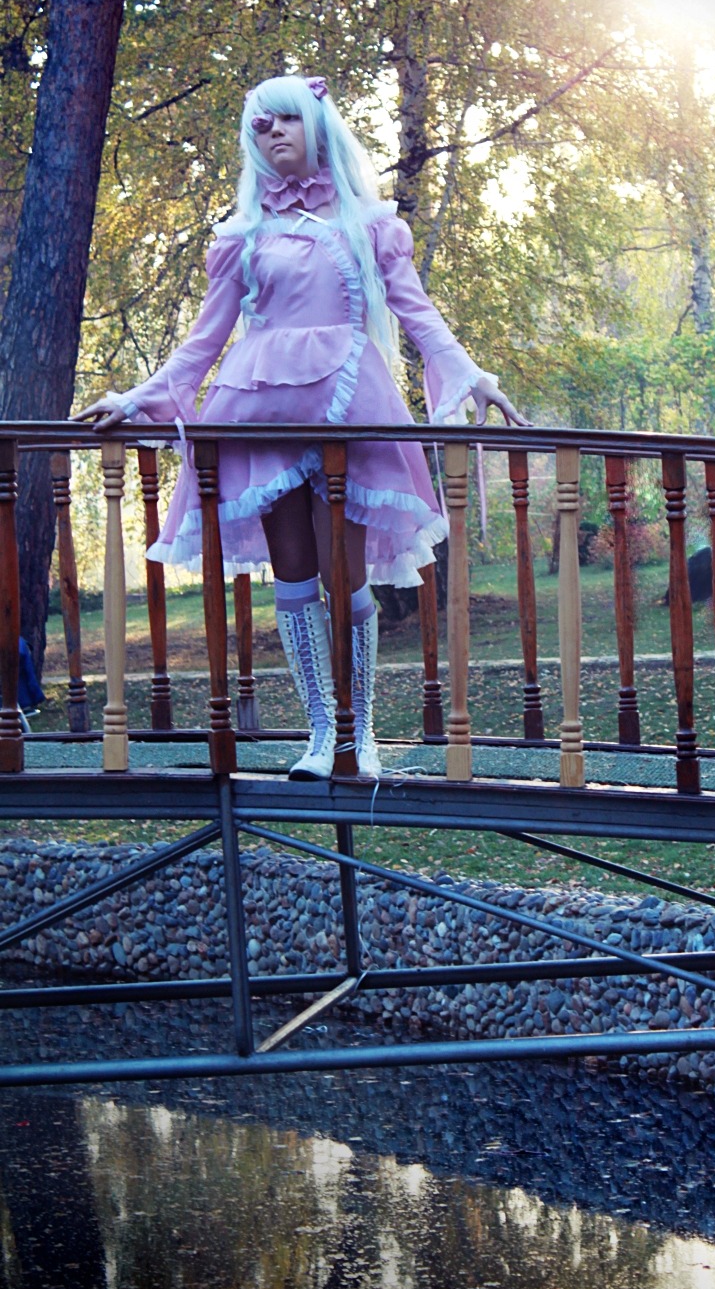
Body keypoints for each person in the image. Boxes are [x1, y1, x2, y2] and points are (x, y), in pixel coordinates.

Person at [77, 74, 527, 778]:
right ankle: (321, 735)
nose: (274, 133)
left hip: (350, 410)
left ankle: (361, 733)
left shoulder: (370, 226)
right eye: (261, 126)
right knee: (291, 576)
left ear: (318, 126)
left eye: (286, 119)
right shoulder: (242, 236)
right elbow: (203, 340)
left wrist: (469, 375)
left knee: (342, 573)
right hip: (258, 413)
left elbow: (416, 314)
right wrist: (139, 398)